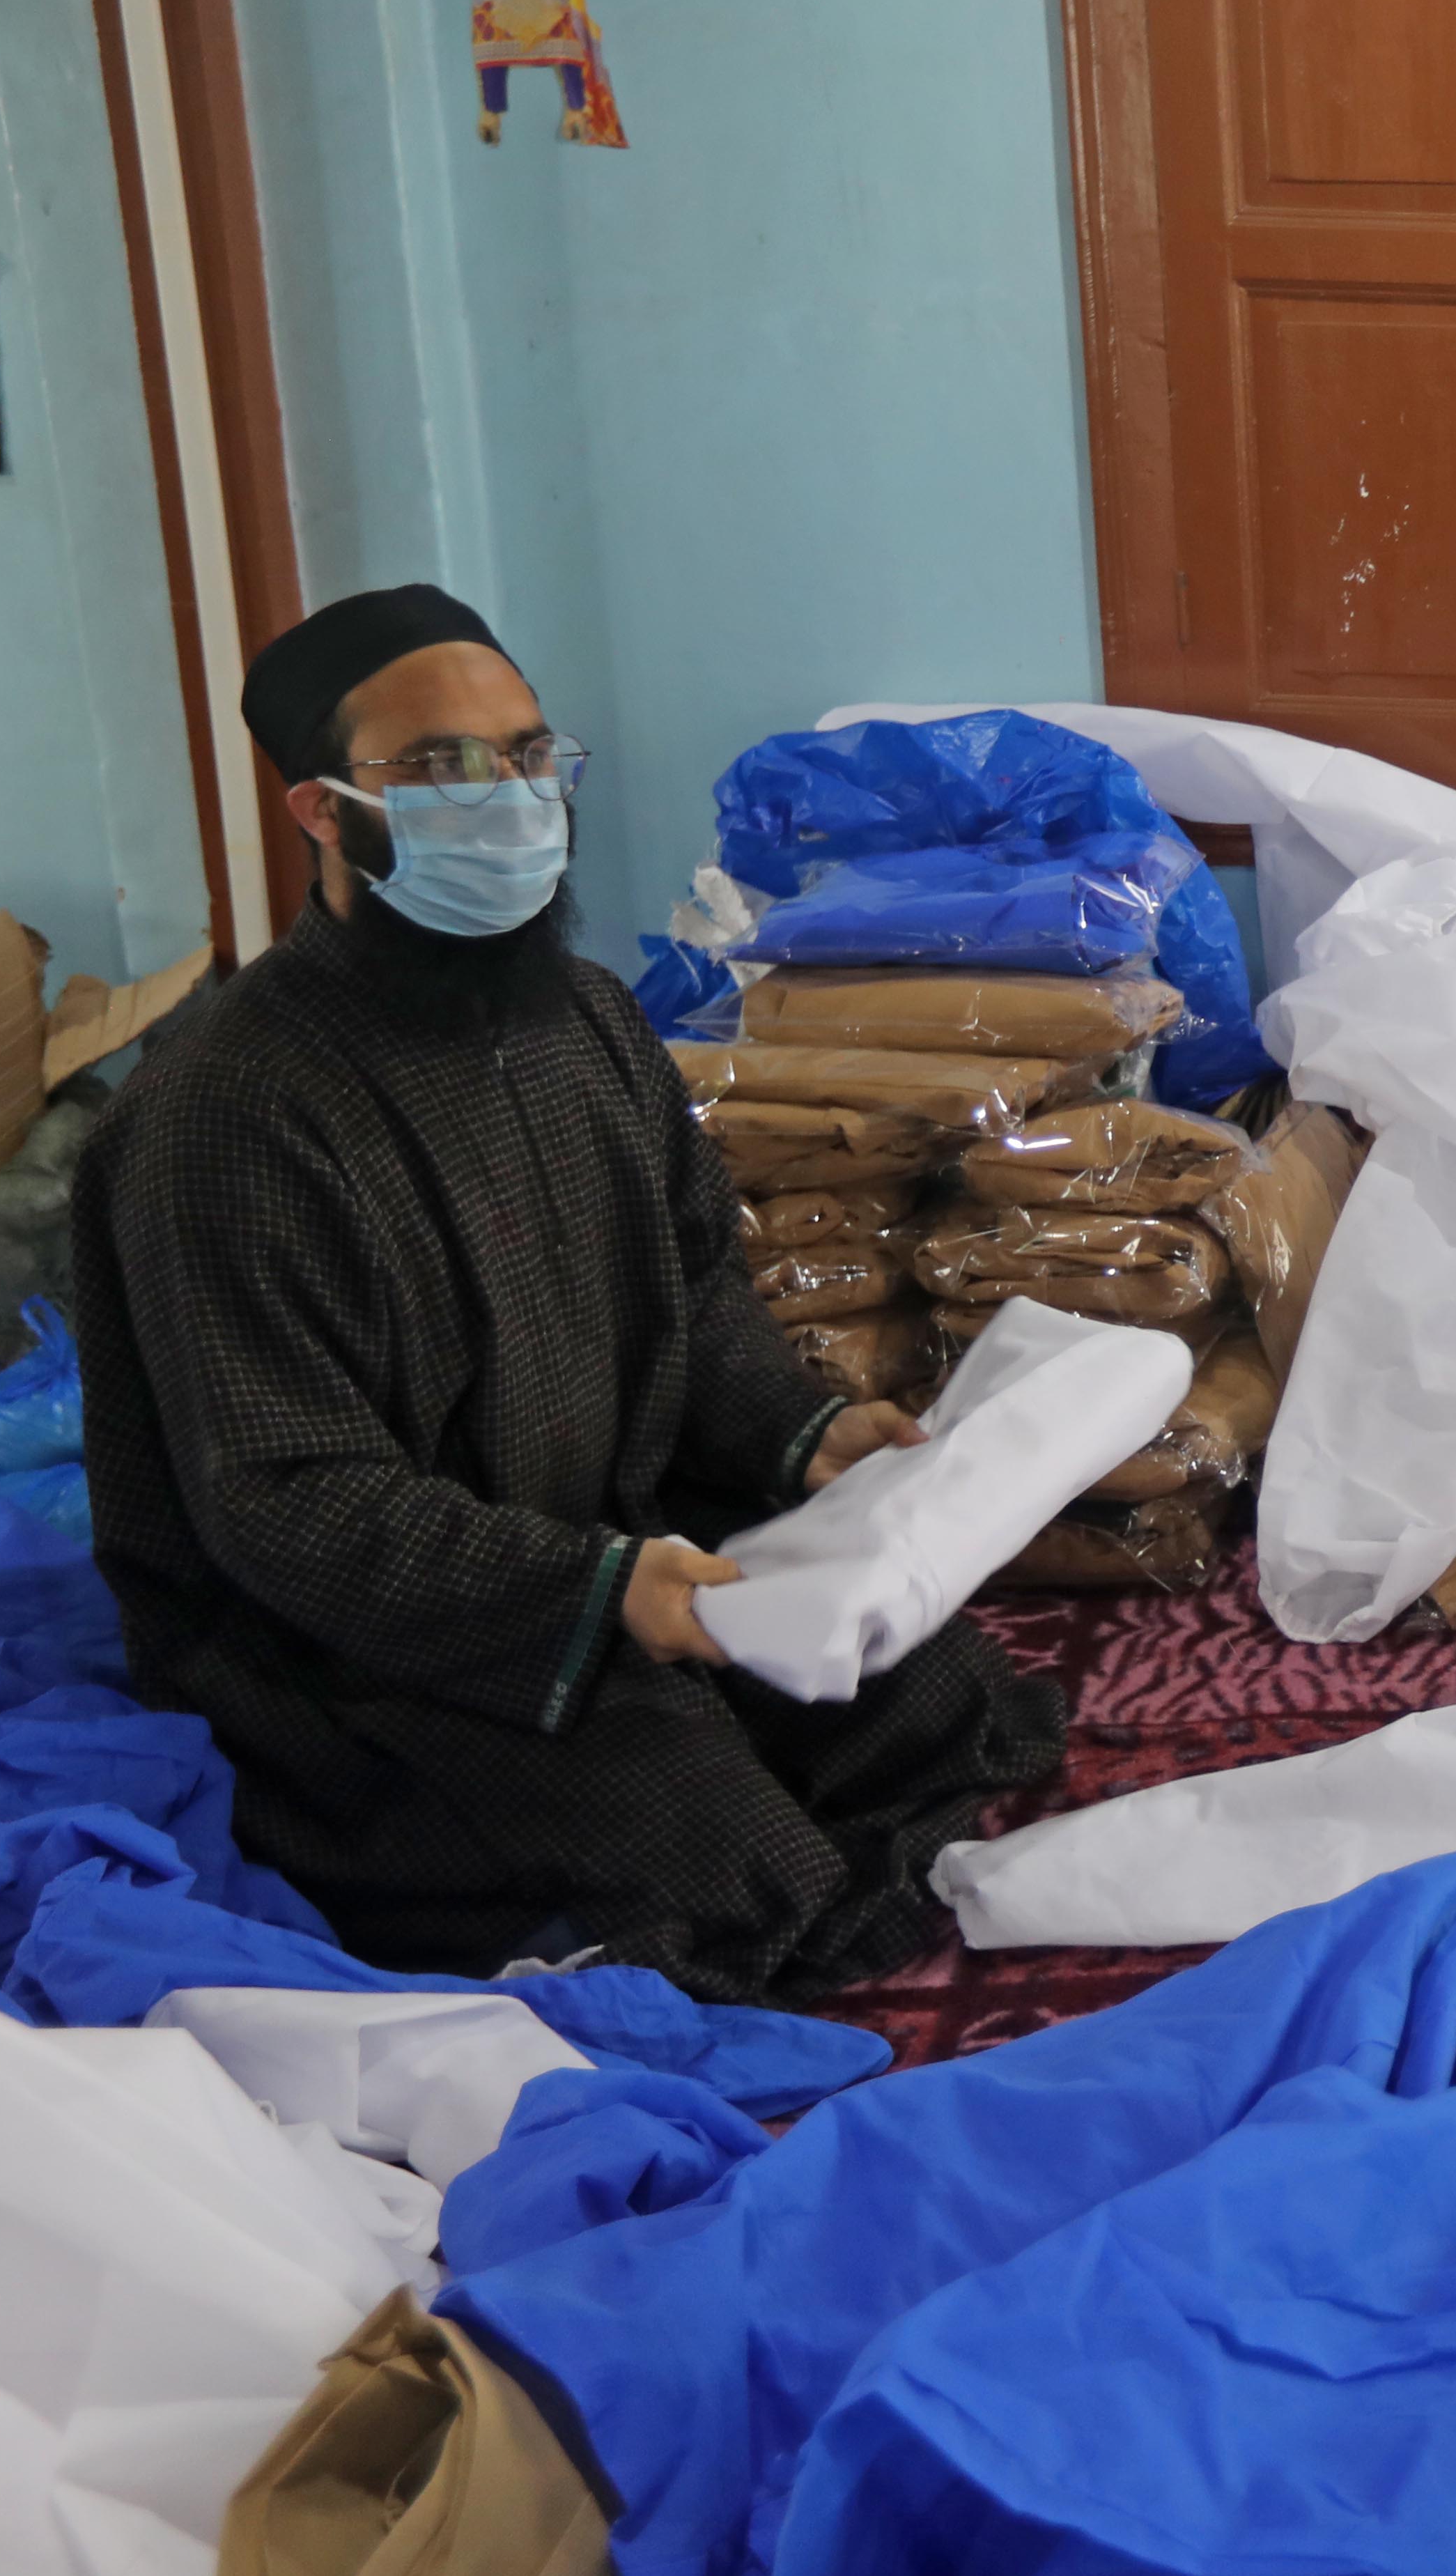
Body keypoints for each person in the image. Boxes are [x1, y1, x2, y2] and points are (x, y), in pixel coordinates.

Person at [70, 585, 1057, 2002]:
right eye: (442, 767)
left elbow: (695, 1287)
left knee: (939, 1695)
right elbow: (286, 1500)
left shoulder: (584, 1017)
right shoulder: (228, 1112)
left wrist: (804, 1437)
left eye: (531, 755)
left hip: (606, 1535)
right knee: (731, 1860)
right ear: (322, 809)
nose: (509, 798)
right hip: (353, 1645)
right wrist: (594, 1593)